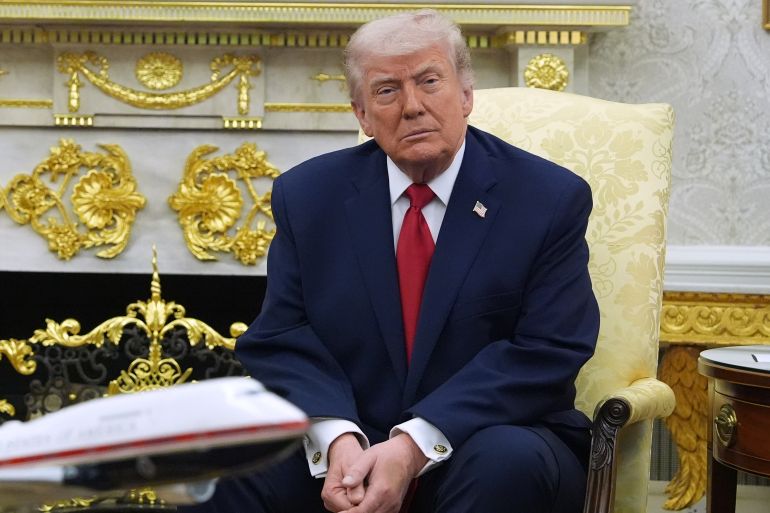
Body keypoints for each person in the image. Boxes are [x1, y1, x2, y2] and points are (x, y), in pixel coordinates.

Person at [186, 9, 599, 513]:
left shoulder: (548, 198)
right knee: (217, 461)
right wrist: (338, 438)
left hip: (489, 436)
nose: (412, 107)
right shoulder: (308, 195)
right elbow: (281, 337)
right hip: (351, 437)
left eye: (430, 82)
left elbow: (548, 349)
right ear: (361, 114)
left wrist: (411, 445)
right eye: (386, 91)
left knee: (504, 461)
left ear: (466, 94)